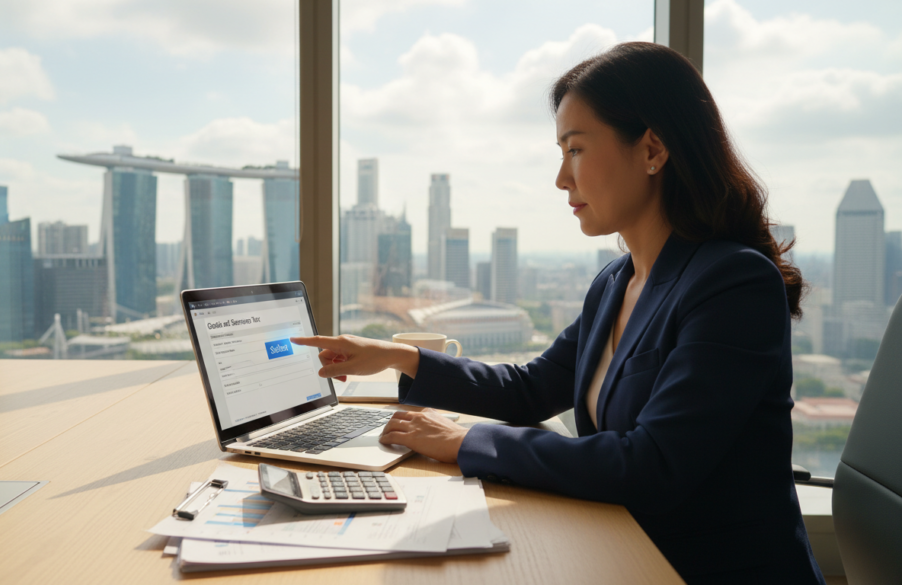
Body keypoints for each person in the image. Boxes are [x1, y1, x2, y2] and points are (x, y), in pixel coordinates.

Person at [291, 42, 824, 584]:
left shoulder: (732, 283)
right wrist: (400, 357)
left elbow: (653, 465)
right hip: (621, 553)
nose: (560, 178)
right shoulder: (616, 282)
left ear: (653, 150)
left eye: (575, 150)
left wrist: (465, 442)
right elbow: (531, 389)